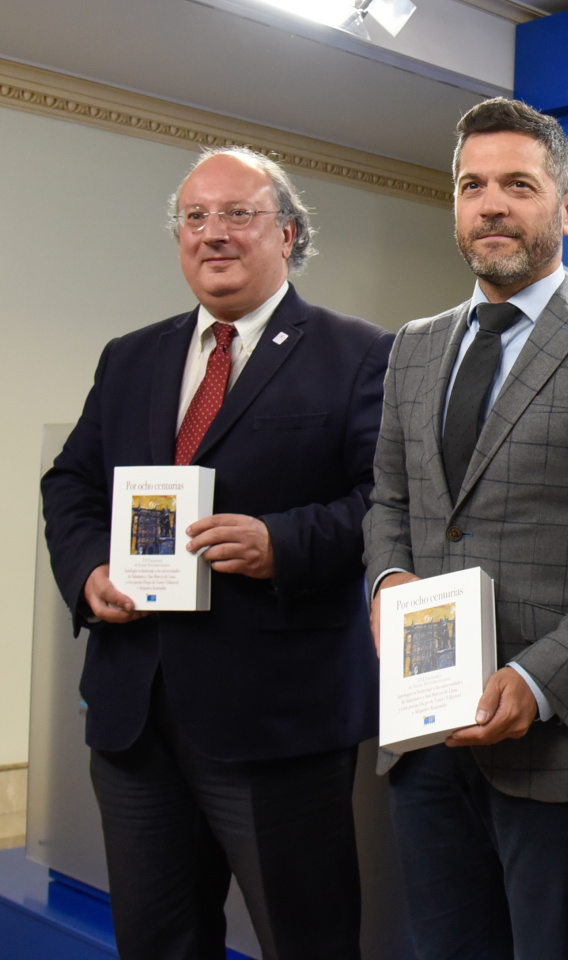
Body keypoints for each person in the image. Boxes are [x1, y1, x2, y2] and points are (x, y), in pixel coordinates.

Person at [40, 147, 391, 960]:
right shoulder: (130, 356)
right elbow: (71, 485)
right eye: (195, 217)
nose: (214, 234)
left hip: (278, 722)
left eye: (239, 213)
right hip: (135, 719)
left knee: (306, 942)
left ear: (289, 234)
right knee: (157, 943)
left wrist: (283, 543)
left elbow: (387, 503)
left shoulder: (360, 353)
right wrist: (90, 566)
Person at [363, 97, 568, 960]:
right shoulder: (414, 348)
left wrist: (538, 681)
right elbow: (389, 502)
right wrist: (388, 585)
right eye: (472, 186)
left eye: (518, 184)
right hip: (426, 741)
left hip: (556, 749)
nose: (491, 204)